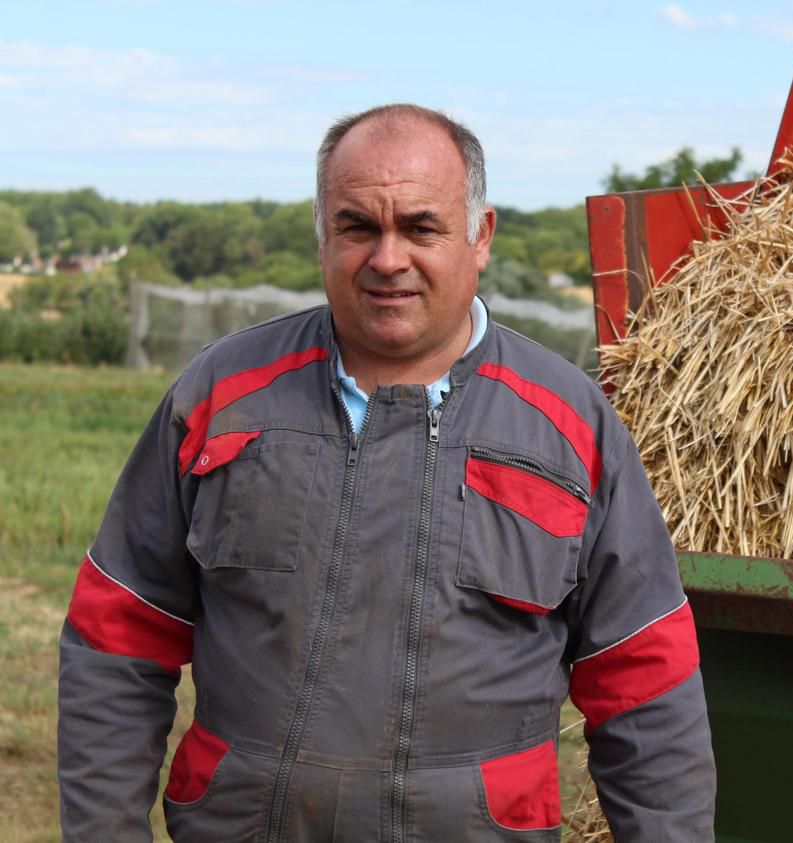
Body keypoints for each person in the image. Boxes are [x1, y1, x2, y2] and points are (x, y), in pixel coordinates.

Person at [57, 103, 716, 842]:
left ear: (480, 236)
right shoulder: (222, 396)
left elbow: (646, 683)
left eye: (421, 226)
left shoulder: (570, 426)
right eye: (358, 227)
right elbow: (117, 635)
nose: (388, 257)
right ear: (322, 236)